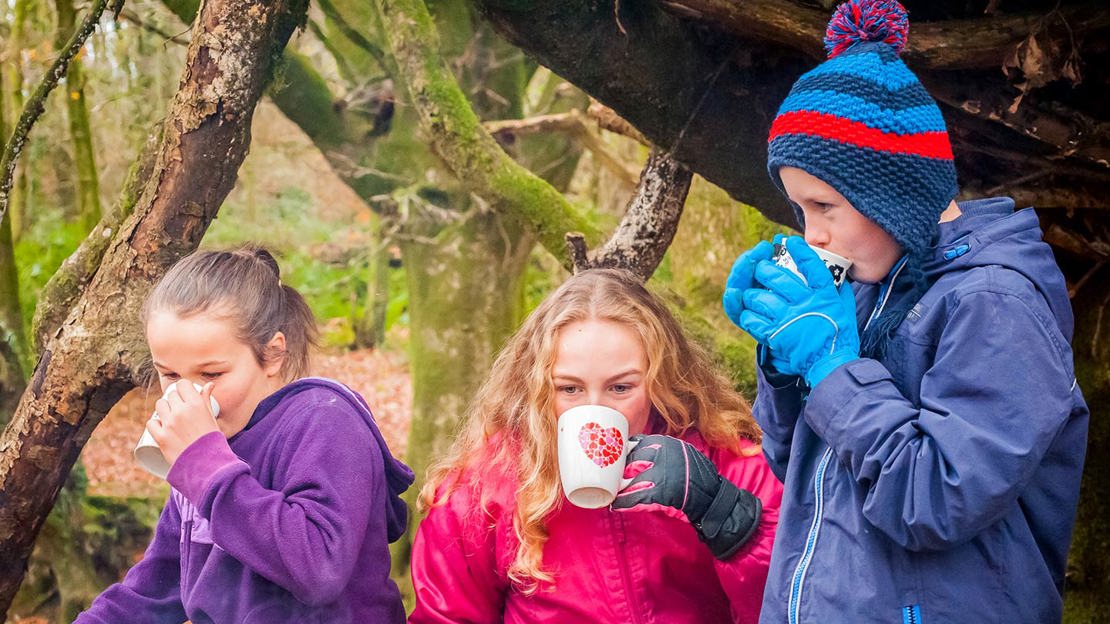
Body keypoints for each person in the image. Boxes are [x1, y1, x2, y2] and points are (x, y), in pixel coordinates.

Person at [721, 1, 1089, 622]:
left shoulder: (995, 305)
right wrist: (788, 364)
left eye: (825, 207)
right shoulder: (867, 283)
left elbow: (935, 498)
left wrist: (830, 368)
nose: (811, 235)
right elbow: (798, 468)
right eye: (799, 209)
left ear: (891, 193)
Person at [408, 268, 782, 623]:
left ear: (661, 379)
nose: (594, 410)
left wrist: (727, 518)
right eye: (569, 389)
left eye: (621, 388)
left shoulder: (723, 457)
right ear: (537, 387)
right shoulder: (485, 486)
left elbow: (794, 604)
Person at [76, 247, 413, 624]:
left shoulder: (324, 423)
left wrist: (206, 468)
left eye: (211, 375)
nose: (189, 395)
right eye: (170, 375)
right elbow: (155, 589)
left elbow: (319, 570)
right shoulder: (205, 452)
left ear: (272, 356)